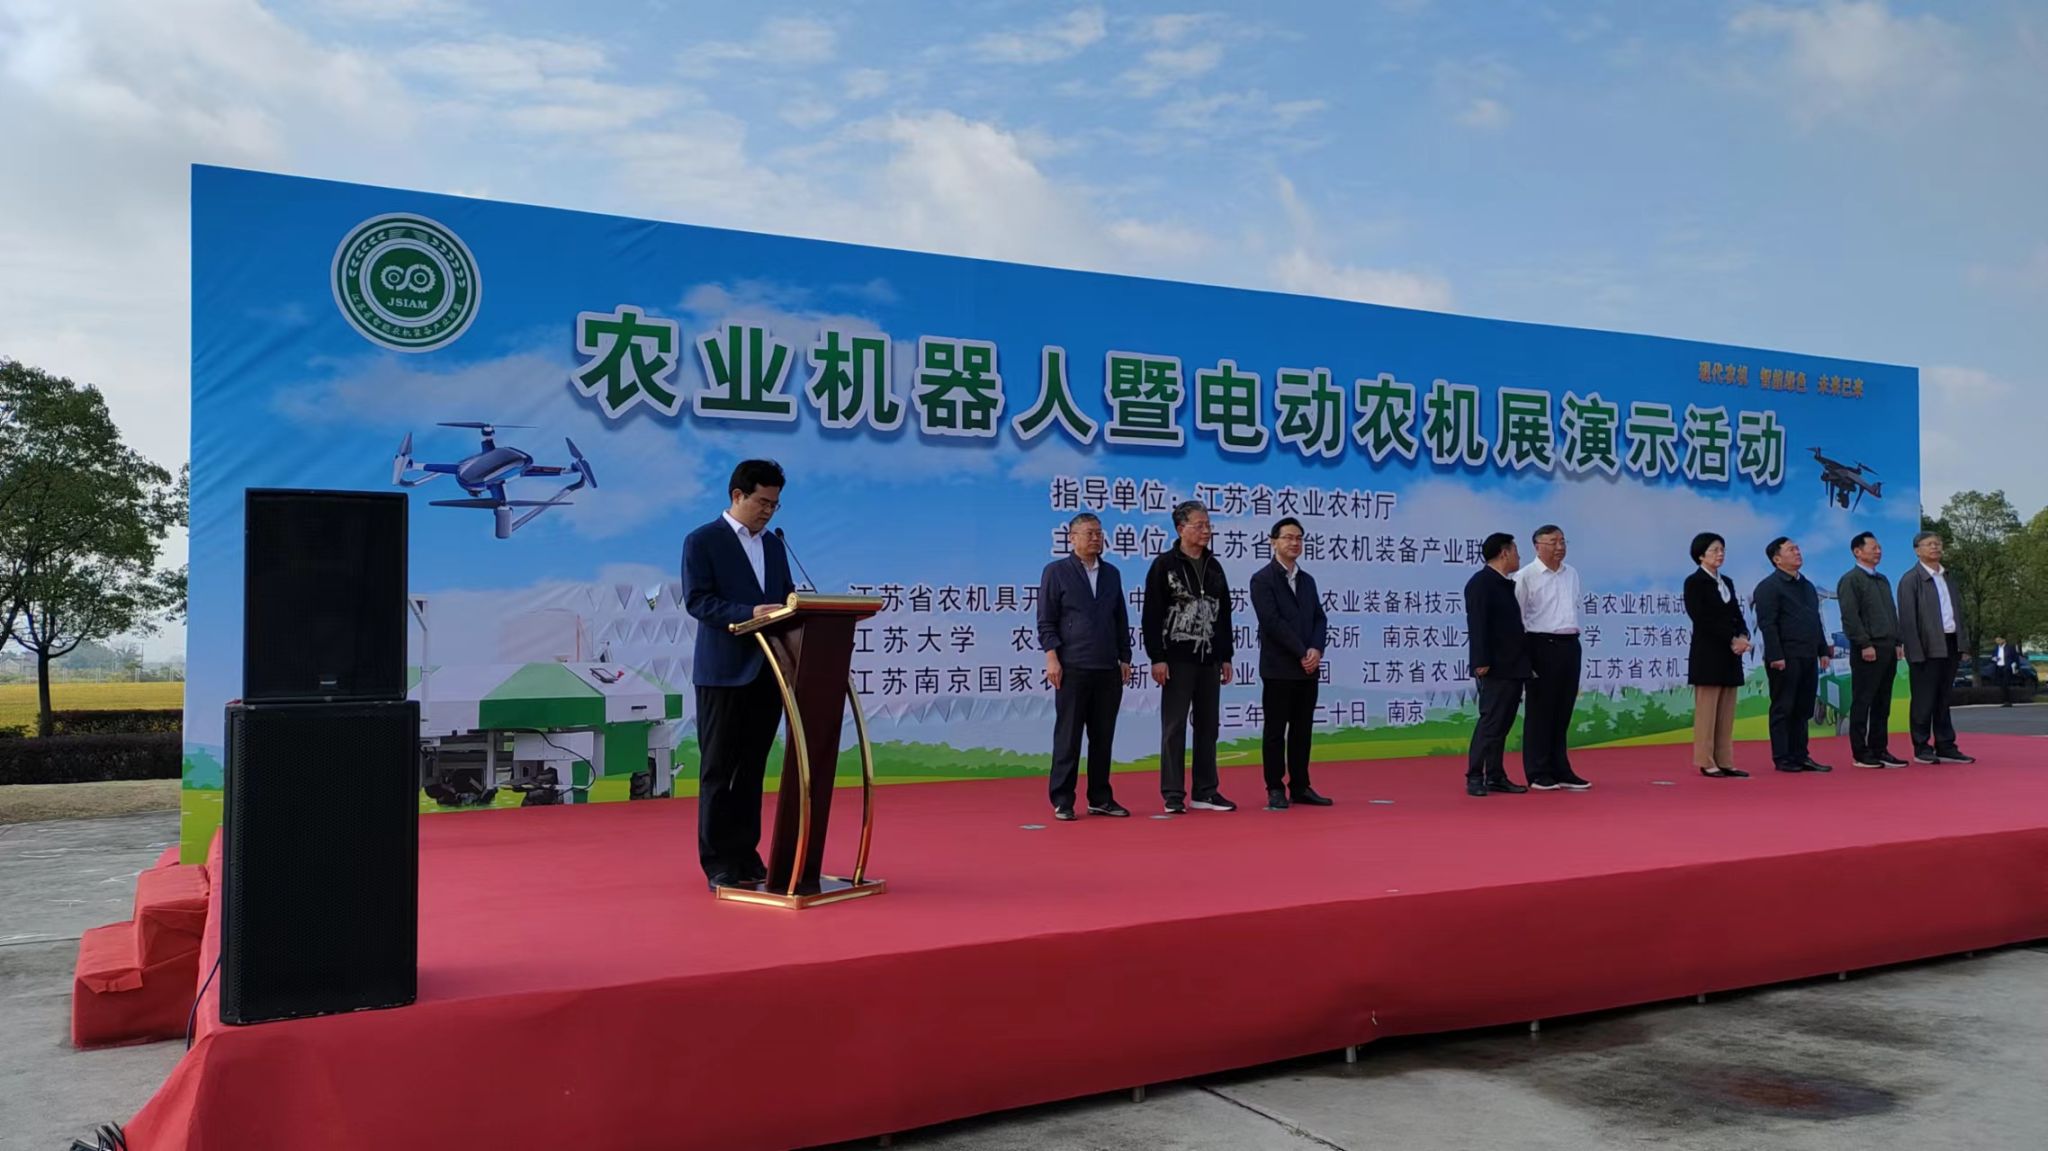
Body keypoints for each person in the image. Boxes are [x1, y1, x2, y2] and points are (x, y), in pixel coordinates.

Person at [681, 459, 797, 890]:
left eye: (775, 504)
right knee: (718, 770)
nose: (768, 511)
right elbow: (698, 601)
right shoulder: (703, 540)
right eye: (762, 502)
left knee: (751, 770)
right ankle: (718, 862)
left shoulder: (774, 546)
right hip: (724, 672)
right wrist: (749, 612)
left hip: (768, 670)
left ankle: (747, 854)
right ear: (737, 495)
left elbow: (786, 597)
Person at [1037, 513, 1133, 821]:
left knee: (1103, 737)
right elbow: (1046, 620)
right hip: (1072, 666)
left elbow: (1120, 618)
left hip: (1107, 666)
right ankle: (1063, 799)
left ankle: (1100, 798)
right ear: (1072, 538)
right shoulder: (1056, 572)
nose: (1095, 538)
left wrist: (1125, 657)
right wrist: (1052, 657)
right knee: (1068, 736)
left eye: (1099, 533)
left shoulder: (1111, 574)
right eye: (1089, 533)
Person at [1143, 501, 1236, 814]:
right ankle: (1173, 794)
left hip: (1210, 660)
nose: (1206, 530)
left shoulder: (1214, 566)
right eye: (1200, 525)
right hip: (1177, 659)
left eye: (1208, 525)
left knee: (1209, 726)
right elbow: (1151, 615)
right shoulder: (1164, 565)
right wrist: (1157, 657)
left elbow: (1225, 615)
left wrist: (1226, 656)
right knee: (1174, 727)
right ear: (1181, 529)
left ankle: (1205, 791)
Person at [1249, 517, 1332, 810]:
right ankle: (1274, 787)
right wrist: (1301, 652)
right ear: (1273, 542)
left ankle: (1300, 786)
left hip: (1308, 669)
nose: (1294, 543)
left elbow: (1319, 618)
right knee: (1275, 731)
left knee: (1302, 730)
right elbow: (1272, 622)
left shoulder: (1307, 581)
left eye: (1298, 538)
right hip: (1279, 667)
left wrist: (1316, 650)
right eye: (1288, 537)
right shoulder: (1262, 579)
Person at [1512, 524, 1592, 791]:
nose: (1560, 547)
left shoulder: (1572, 574)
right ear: (1537, 546)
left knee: (1563, 709)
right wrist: (1525, 658)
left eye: (1562, 541)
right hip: (1540, 645)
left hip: (1570, 644)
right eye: (1553, 542)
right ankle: (1537, 771)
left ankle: (1561, 769)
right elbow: (1517, 620)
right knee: (1540, 711)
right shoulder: (1525, 576)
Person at [1752, 537, 1833, 773]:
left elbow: (1815, 620)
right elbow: (1767, 624)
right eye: (1791, 549)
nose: (1797, 552)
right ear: (1777, 559)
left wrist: (1822, 650)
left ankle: (1801, 755)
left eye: (1797, 548)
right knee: (1784, 706)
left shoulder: (1806, 585)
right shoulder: (1769, 587)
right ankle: (1783, 757)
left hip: (1808, 655)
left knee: (1803, 707)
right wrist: (1775, 655)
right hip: (1785, 657)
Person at [1898, 531, 1976, 763]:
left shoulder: (1948, 577)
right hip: (1926, 646)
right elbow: (1907, 620)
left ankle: (1945, 744)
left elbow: (1958, 614)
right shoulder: (1911, 579)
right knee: (1924, 699)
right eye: (1929, 544)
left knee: (1943, 698)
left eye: (1938, 543)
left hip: (1950, 643)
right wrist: (1914, 651)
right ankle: (1922, 746)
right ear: (1917, 550)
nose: (1935, 547)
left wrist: (1963, 644)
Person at [1463, 532, 1530, 797]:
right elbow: (1477, 624)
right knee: (1490, 723)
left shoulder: (1504, 584)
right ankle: (1474, 775)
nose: (1518, 556)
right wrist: (1480, 661)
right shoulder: (1481, 583)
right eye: (1515, 551)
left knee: (1502, 724)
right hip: (1494, 666)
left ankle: (1496, 775)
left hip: (1513, 665)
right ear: (1504, 553)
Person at [1835, 532, 1907, 768]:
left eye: (1879, 547)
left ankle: (1879, 748)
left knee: (1882, 702)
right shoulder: (1851, 580)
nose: (1878, 551)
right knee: (1863, 700)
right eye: (1873, 547)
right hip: (1868, 648)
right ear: (1857, 551)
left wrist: (1898, 642)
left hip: (1888, 646)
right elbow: (1850, 616)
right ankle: (1860, 752)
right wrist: (1864, 644)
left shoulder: (1882, 579)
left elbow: (1892, 613)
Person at [1682, 533, 1752, 778]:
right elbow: (1701, 618)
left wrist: (1743, 635)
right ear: (1701, 555)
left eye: (1722, 549)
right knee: (1707, 711)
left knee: (1726, 711)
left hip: (1730, 655)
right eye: (1714, 550)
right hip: (1709, 653)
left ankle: (1725, 760)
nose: (1720, 554)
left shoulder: (1726, 582)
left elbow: (1736, 613)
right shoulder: (1694, 582)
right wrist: (1731, 639)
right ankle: (1706, 760)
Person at [1991, 635, 2018, 707]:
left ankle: (2007, 701)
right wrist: (1995, 658)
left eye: (1999, 640)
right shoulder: (1996, 648)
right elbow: (1992, 657)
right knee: (2001, 685)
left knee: (2006, 684)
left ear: (2004, 640)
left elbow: (2015, 658)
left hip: (2007, 668)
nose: (1997, 642)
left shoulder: (2010, 647)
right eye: (1996, 640)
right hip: (1998, 668)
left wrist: (2016, 667)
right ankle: (2004, 700)